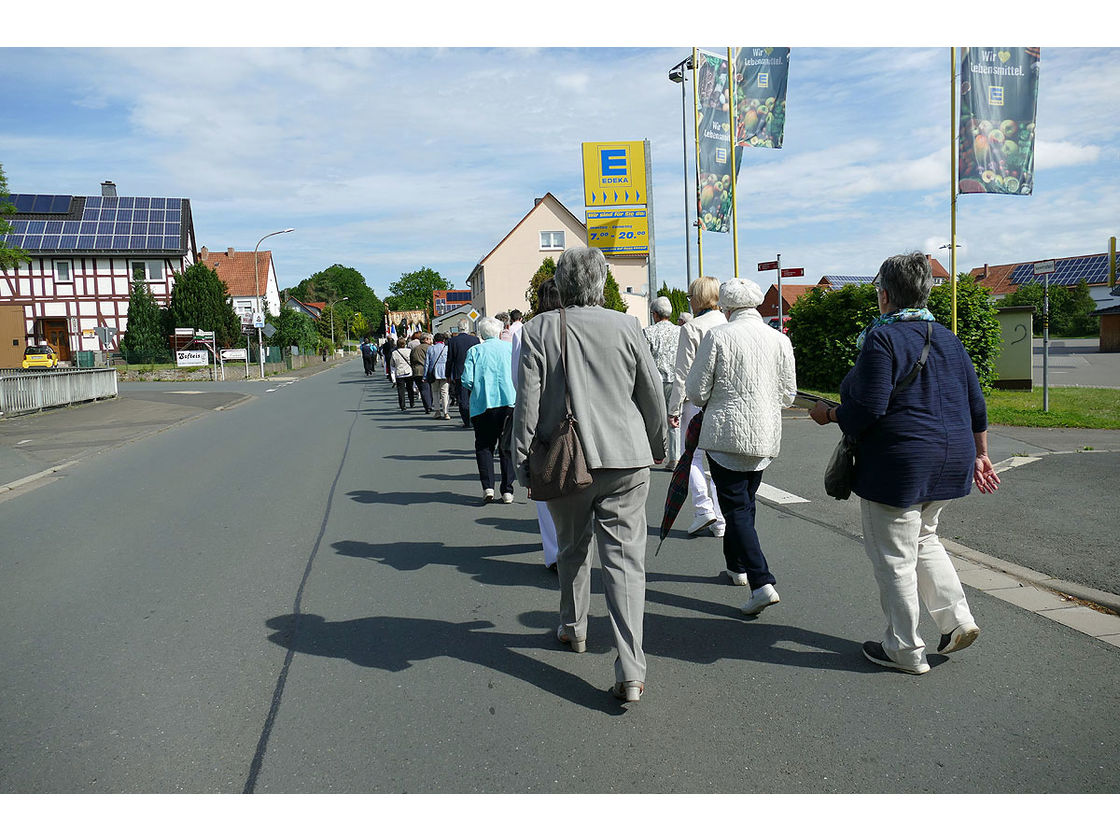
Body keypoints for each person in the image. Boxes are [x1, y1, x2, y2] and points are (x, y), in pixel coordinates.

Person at [809, 252, 1000, 675]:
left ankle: (904, 649)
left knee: (895, 557)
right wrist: (982, 453)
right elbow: (976, 404)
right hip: (951, 459)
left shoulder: (882, 339)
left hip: (900, 464)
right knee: (925, 539)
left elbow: (868, 408)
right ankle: (957, 621)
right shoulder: (947, 336)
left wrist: (829, 414)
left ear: (884, 295)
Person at [512, 246, 667, 704]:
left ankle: (574, 628)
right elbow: (652, 392)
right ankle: (632, 670)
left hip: (566, 461)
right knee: (625, 564)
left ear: (561, 284)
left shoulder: (539, 329)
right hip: (626, 459)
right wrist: (657, 447)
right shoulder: (627, 325)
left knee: (571, 548)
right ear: (602, 283)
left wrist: (523, 460)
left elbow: (528, 405)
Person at [685, 278, 796, 609]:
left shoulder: (718, 337)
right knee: (743, 506)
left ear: (726, 307)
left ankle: (761, 581)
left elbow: (696, 391)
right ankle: (736, 567)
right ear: (758, 304)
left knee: (736, 508)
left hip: (725, 435)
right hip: (764, 435)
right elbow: (788, 395)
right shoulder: (779, 339)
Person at [669, 276, 727, 538]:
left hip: (696, 401)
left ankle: (703, 508)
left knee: (690, 455)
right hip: (724, 401)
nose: (689, 301)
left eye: (691, 295)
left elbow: (682, 373)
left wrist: (673, 408)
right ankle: (721, 518)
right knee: (719, 459)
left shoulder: (692, 328)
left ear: (698, 298)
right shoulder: (728, 324)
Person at [510, 280, 561, 572]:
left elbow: (521, 381)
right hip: (579, 414)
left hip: (543, 415)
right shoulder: (578, 324)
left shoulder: (529, 330)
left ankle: (555, 553)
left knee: (546, 485)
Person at [461, 317, 517, 504]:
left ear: (482, 334)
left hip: (483, 403)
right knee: (507, 447)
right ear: (500, 332)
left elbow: (466, 380)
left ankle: (488, 487)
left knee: (484, 446)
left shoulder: (475, 351)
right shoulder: (510, 349)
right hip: (509, 401)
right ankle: (508, 490)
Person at [644, 295, 682, 468]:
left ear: (656, 314)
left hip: (656, 381)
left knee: (654, 419)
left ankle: (656, 454)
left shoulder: (648, 332)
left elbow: (644, 359)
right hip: (676, 380)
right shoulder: (681, 331)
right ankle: (675, 458)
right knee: (674, 419)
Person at [447, 318, 480, 428]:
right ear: (467, 327)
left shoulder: (452, 341)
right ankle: (475, 418)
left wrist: (448, 374)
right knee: (474, 396)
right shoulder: (475, 340)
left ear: (458, 327)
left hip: (459, 372)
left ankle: (466, 421)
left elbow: (450, 359)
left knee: (462, 397)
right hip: (474, 372)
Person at [424, 332, 451, 420]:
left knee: (435, 392)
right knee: (445, 393)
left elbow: (427, 364)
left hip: (433, 372)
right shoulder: (446, 348)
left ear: (434, 340)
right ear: (443, 340)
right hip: (444, 372)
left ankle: (437, 411)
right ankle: (446, 412)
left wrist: (425, 376)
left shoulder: (430, 349)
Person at [390, 337, 416, 410]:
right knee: (410, 388)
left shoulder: (394, 353)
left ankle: (402, 405)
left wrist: (393, 377)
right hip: (409, 372)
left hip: (399, 373)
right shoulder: (409, 351)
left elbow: (392, 364)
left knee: (401, 390)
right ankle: (412, 402)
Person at [410, 333, 433, 413]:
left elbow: (411, 360)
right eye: (430, 339)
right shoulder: (429, 348)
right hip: (426, 370)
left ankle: (427, 405)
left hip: (416, 371)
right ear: (426, 339)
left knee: (422, 389)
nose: (431, 341)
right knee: (428, 389)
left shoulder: (415, 349)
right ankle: (429, 405)